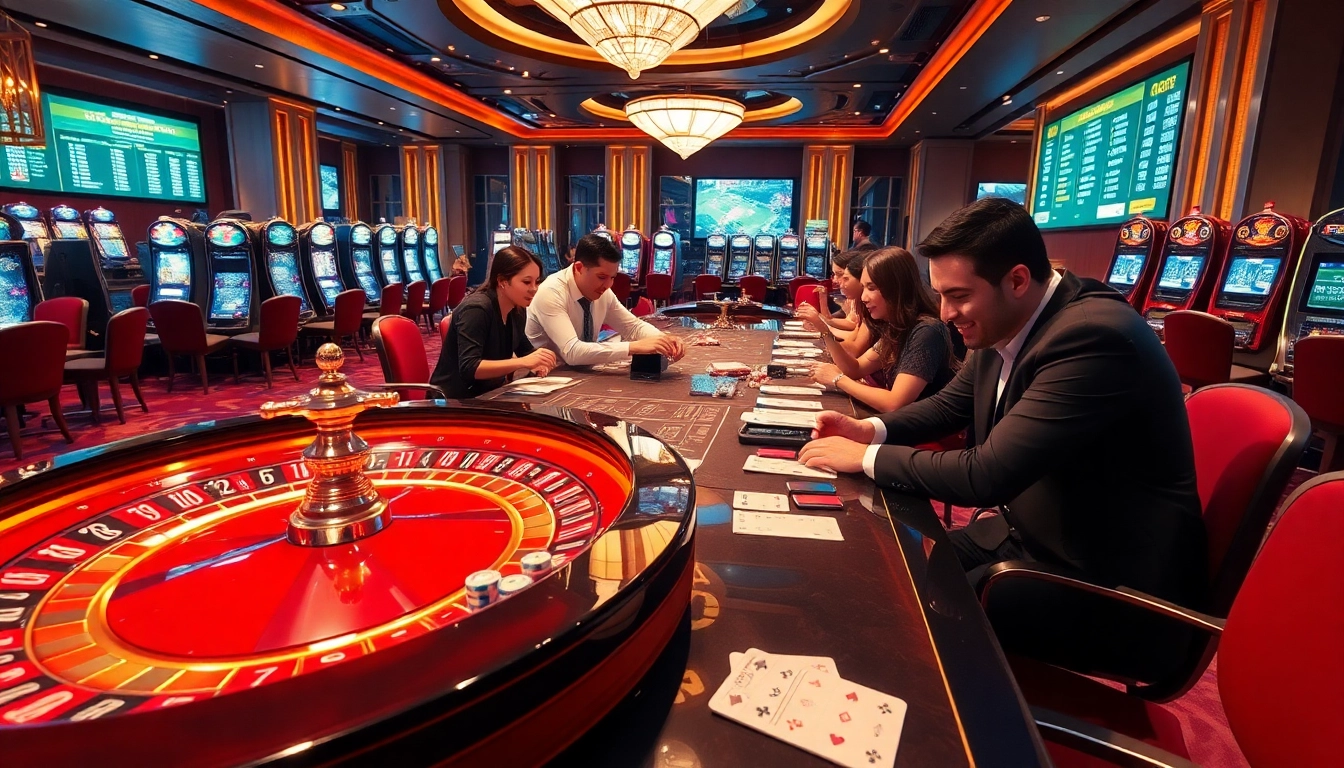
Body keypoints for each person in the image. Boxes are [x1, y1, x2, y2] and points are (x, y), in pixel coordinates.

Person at [799, 197, 1206, 621]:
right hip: (1028, 534)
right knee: (877, 570)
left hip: (1104, 580)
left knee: (907, 610)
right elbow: (948, 405)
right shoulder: (1010, 320)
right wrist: (870, 430)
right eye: (940, 295)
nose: (946, 313)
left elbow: (986, 474)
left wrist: (866, 457)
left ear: (1017, 280)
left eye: (959, 296)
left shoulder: (1093, 337)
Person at [808, 247, 956, 413]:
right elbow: (856, 369)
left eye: (871, 288)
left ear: (896, 288)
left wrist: (838, 379)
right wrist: (826, 333)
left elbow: (894, 403)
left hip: (925, 429)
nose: (863, 297)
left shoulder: (926, 331)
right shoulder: (896, 326)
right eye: (863, 288)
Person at [526, 233, 686, 366]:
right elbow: (572, 352)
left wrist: (663, 340)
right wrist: (633, 347)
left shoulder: (603, 291)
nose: (608, 285)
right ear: (579, 268)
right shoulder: (551, 291)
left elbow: (632, 327)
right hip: (542, 378)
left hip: (579, 375)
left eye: (613, 277)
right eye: (602, 277)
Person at [430, 246, 556, 398]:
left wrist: (539, 362)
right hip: (454, 400)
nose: (534, 289)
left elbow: (525, 350)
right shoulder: (476, 309)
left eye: (537, 282)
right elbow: (470, 367)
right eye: (527, 282)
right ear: (502, 281)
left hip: (490, 394)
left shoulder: (517, 309)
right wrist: (524, 362)